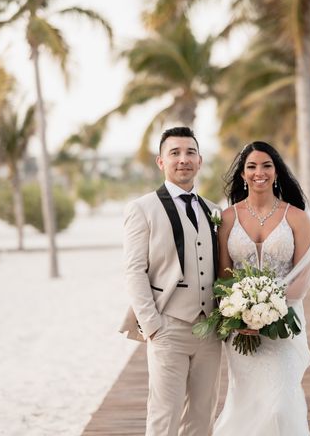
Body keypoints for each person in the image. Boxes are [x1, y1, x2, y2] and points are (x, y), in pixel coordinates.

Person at [119, 126, 222, 436]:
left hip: (210, 332)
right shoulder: (142, 209)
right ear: (160, 162)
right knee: (165, 417)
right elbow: (134, 270)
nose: (183, 159)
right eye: (174, 153)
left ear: (200, 161)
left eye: (190, 152)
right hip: (168, 328)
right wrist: (152, 326)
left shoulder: (213, 211)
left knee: (202, 418)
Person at [213, 141, 310, 436]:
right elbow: (223, 276)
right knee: (248, 403)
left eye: (267, 165)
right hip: (240, 329)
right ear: (243, 175)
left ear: (277, 171)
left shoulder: (296, 217)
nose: (260, 172)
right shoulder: (228, 218)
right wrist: (241, 315)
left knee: (280, 405)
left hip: (284, 325)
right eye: (252, 166)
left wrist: (268, 313)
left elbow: (303, 276)